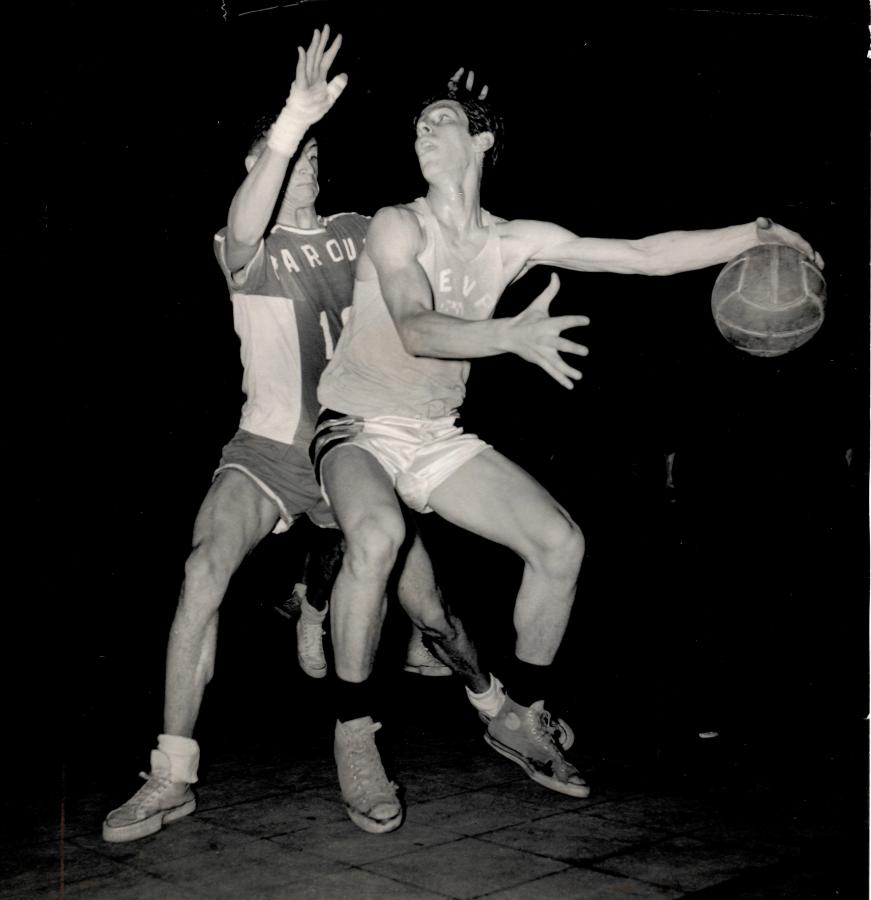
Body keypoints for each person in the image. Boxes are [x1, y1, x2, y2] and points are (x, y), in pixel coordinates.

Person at [311, 71, 824, 832]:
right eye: (418, 122)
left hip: (433, 436)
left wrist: (756, 232)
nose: (423, 130)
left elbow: (645, 256)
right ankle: (355, 735)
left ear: (481, 140)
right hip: (356, 426)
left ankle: (519, 713)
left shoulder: (514, 240)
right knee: (378, 537)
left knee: (559, 545)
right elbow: (416, 324)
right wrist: (508, 337)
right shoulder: (397, 223)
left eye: (442, 119)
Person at [100, 26, 452, 844]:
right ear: (260, 169)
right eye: (289, 158)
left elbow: (452, 226)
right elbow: (245, 221)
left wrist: (467, 125)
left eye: (313, 157)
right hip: (265, 450)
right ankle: (170, 773)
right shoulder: (241, 247)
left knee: (433, 615)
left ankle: (494, 700)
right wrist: (291, 123)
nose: (307, 169)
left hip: (355, 446)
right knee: (202, 568)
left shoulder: (364, 230)